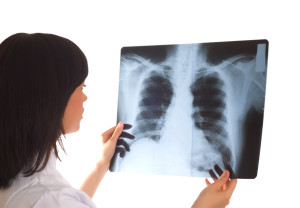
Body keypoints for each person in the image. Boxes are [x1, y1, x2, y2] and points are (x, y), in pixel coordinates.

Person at [0, 33, 237, 208]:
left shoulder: (18, 179)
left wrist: (101, 165)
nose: (85, 97)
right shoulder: (52, 198)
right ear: (51, 98)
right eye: (80, 87)